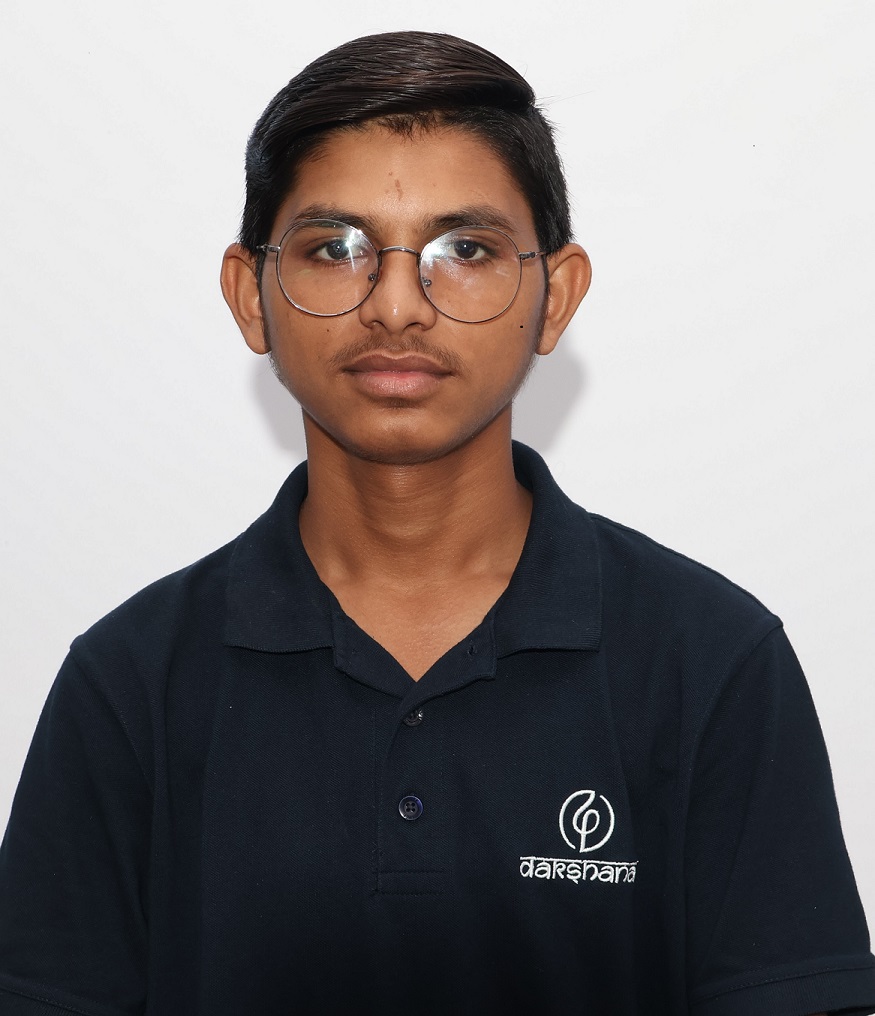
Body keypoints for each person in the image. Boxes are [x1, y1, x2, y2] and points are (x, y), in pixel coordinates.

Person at [0, 30, 872, 1016]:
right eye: (335, 249)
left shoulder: (709, 661)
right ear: (251, 295)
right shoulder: (130, 683)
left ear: (554, 296)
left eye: (465, 250)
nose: (397, 306)